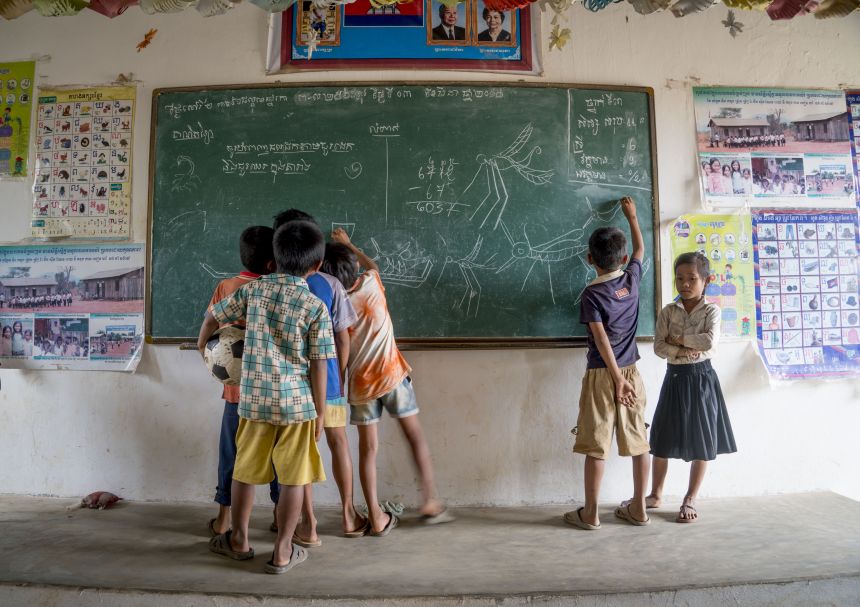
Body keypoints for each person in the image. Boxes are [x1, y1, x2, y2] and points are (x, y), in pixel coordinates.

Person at [200, 219, 337, 575]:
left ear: (273, 258)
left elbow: (214, 314)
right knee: (293, 478)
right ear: (317, 265)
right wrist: (320, 413)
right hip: (297, 405)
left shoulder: (253, 292)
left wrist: (203, 344)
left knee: (244, 472)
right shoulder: (315, 306)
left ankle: (239, 541)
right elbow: (321, 365)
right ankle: (282, 551)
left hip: (254, 403)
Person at [324, 229, 453, 535]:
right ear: (354, 268)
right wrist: (349, 244)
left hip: (360, 386)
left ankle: (375, 514)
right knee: (415, 437)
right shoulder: (371, 283)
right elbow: (374, 267)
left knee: (368, 450)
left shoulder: (333, 306)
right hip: (393, 376)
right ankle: (430, 501)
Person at [272, 209, 367, 545]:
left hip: (294, 386)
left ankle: (308, 523)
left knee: (302, 452)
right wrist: (337, 373)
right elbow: (344, 336)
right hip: (329, 381)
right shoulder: (330, 284)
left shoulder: (273, 286)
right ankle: (347, 514)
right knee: (338, 443)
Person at [564, 196, 650, 530]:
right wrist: (632, 216)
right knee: (639, 440)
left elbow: (601, 339)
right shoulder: (632, 279)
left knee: (596, 445)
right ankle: (639, 508)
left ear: (589, 259)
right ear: (623, 258)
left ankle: (591, 513)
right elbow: (641, 249)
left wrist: (615, 379)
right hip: (632, 372)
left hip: (604, 374)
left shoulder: (591, 295)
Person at [203, 226, 282, 538]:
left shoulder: (227, 286)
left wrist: (202, 349)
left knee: (231, 455)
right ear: (272, 263)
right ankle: (279, 513)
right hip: (272, 390)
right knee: (278, 454)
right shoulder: (278, 290)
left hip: (236, 391)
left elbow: (211, 326)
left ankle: (224, 518)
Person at [647, 252, 737, 523]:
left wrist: (678, 340)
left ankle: (690, 498)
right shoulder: (667, 311)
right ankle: (655, 494)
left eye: (692, 279)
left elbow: (709, 342)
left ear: (706, 280)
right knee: (661, 439)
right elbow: (659, 347)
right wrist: (687, 347)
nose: (684, 284)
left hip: (701, 379)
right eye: (679, 278)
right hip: (674, 378)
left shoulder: (712, 311)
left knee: (701, 439)